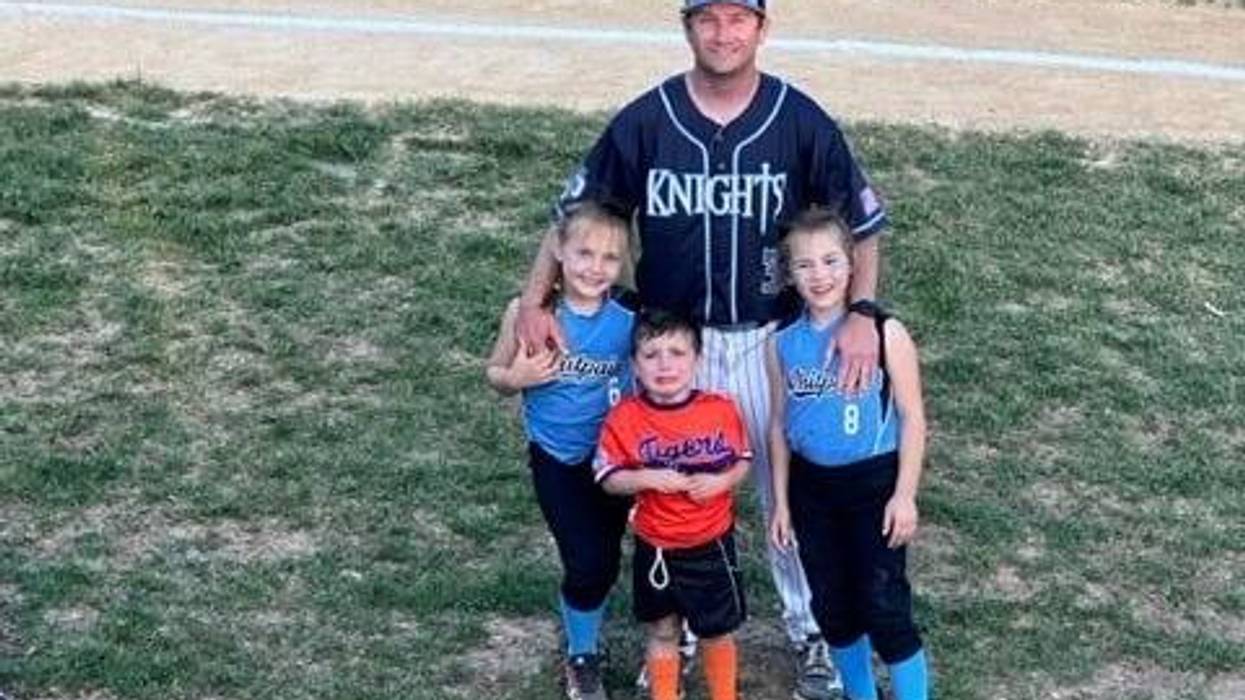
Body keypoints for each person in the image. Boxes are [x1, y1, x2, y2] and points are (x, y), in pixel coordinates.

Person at [516, 0, 890, 696]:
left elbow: (861, 225)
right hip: (670, 351)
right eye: (708, 19)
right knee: (670, 490)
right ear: (686, 27)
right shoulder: (646, 119)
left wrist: (860, 312)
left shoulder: (799, 118)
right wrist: (535, 300)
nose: (723, 33)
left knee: (789, 492)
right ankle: (678, 628)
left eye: (737, 19)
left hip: (771, 341)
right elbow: (574, 216)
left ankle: (809, 632)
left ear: (761, 29)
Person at [767, 209, 931, 700]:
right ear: (788, 273)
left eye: (831, 261)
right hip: (812, 488)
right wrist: (781, 501)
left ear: (852, 264)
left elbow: (913, 416)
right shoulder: (781, 343)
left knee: (884, 605)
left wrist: (905, 495)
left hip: (874, 484)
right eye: (805, 265)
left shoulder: (886, 333)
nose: (820, 275)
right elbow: (778, 425)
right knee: (833, 607)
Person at [486, 202, 638, 700]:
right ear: (558, 251)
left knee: (608, 557)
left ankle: (589, 628)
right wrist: (517, 378)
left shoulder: (629, 315)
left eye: (610, 258)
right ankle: (581, 655)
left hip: (613, 459)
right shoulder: (530, 312)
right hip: (555, 457)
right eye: (584, 253)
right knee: (587, 561)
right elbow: (494, 374)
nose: (595, 267)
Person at [595, 308, 751, 700]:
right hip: (657, 547)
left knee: (716, 630)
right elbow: (609, 478)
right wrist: (646, 478)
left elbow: (742, 461)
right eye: (651, 355)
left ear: (697, 360)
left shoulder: (720, 409)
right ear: (635, 364)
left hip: (710, 543)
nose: (665, 364)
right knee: (662, 630)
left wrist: (721, 481)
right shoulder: (625, 417)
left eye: (677, 353)